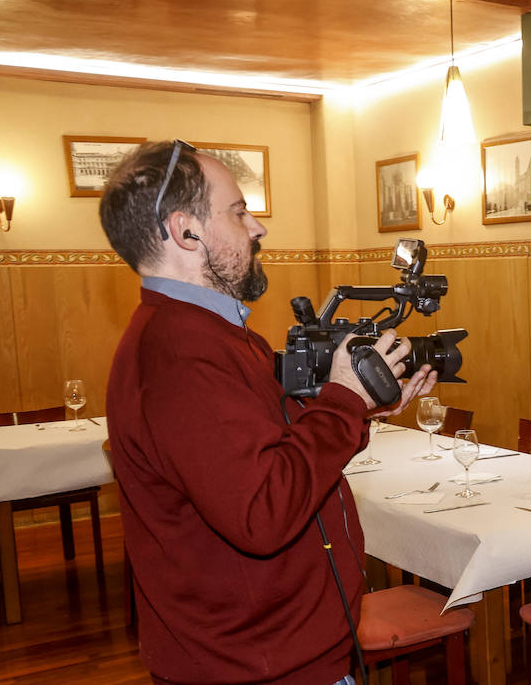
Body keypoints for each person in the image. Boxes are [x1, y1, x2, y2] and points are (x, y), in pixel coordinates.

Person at [99, 140, 438, 684]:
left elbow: (266, 449)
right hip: (258, 664)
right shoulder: (181, 353)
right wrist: (345, 399)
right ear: (186, 231)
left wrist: (357, 410)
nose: (258, 228)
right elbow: (262, 512)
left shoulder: (206, 332)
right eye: (238, 212)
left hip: (272, 652)